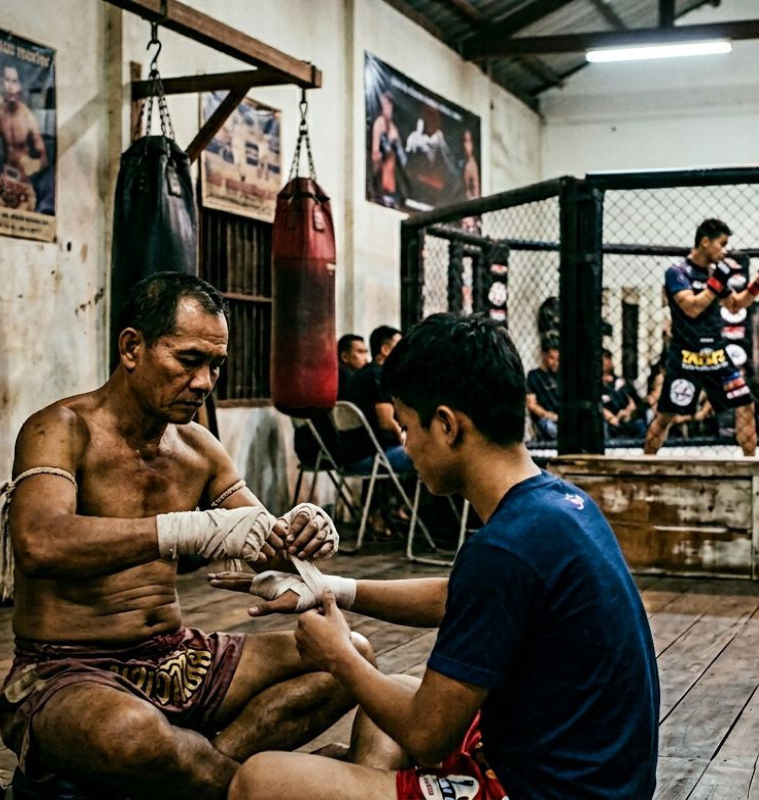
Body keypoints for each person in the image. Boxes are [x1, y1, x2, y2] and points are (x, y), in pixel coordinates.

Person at [216, 312, 660, 800]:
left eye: (406, 427)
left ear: (447, 425)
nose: (406, 444)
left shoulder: (504, 549)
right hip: (581, 771)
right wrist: (328, 588)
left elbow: (429, 733)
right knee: (385, 707)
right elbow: (458, 597)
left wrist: (340, 657)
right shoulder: (559, 503)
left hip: (541, 790)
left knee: (260, 781)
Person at [0, 274, 357, 799]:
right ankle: (263, 788)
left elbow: (260, 542)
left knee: (351, 657)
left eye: (216, 365)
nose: (206, 381)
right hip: (68, 669)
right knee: (133, 735)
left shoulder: (199, 449)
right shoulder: (60, 428)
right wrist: (183, 528)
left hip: (178, 658)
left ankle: (200, 775)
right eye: (189, 361)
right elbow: (38, 542)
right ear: (132, 347)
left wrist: (305, 531)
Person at [644, 219, 759, 457]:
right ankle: (644, 465)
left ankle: (751, 466)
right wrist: (717, 282)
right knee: (666, 415)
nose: (724, 250)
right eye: (721, 244)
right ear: (705, 242)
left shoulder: (714, 274)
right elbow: (691, 308)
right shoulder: (677, 272)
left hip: (716, 354)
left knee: (745, 403)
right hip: (686, 355)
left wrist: (758, 286)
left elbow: (735, 305)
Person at [0, 64, 49, 210]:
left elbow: (44, 158)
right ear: (2, 82)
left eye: (14, 82)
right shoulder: (0, 112)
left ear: (20, 86)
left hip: (22, 187)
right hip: (4, 182)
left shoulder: (28, 117)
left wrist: (34, 165)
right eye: (7, 80)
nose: (10, 87)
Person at [344, 326, 413, 471]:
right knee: (434, 457)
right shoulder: (379, 375)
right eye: (399, 346)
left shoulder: (363, 374)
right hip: (371, 457)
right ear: (385, 350)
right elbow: (387, 423)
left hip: (352, 455)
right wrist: (407, 441)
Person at [602, 349, 646, 439]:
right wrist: (610, 418)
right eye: (605, 358)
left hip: (626, 418)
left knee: (640, 424)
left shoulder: (621, 382)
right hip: (609, 421)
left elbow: (635, 402)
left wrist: (628, 411)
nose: (607, 361)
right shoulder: (595, 385)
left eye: (609, 358)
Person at [369, 92, 402, 207]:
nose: (387, 108)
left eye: (389, 105)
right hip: (380, 168)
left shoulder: (393, 128)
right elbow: (375, 152)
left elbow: (401, 157)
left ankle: (389, 191)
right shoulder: (379, 124)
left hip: (391, 174)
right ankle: (381, 191)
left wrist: (393, 144)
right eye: (385, 105)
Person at [525, 336, 560, 441]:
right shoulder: (534, 376)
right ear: (544, 355)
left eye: (558, 359)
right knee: (550, 427)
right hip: (547, 418)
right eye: (551, 358)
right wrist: (550, 415)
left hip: (564, 418)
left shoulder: (562, 375)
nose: (555, 363)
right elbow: (531, 405)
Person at [338, 334, 370, 401]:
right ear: (345, 357)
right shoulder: (344, 376)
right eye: (360, 352)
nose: (366, 358)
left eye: (366, 352)